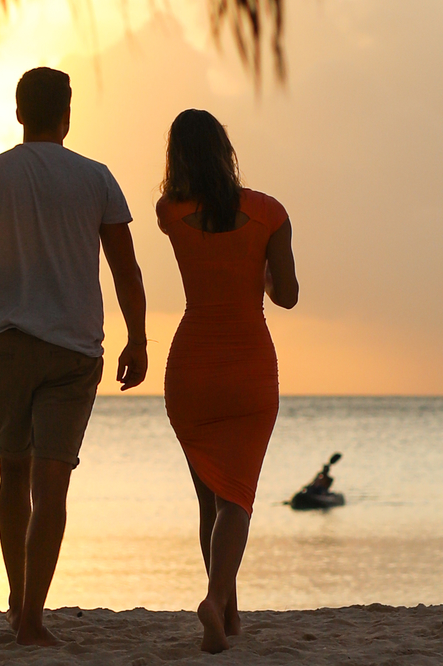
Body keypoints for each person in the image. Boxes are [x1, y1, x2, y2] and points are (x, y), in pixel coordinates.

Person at [0, 67, 150, 647]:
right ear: (67, 115)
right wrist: (138, 337)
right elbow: (125, 269)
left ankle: (15, 603)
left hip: (6, 344)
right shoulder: (97, 179)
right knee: (52, 482)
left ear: (18, 112)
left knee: (13, 471)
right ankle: (33, 615)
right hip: (74, 348)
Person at [155, 108, 298, 653]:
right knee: (237, 494)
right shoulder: (270, 213)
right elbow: (285, 295)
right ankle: (218, 602)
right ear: (225, 149)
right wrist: (262, 273)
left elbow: (200, 229)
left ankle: (229, 614)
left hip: (191, 369)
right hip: (249, 369)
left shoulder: (169, 211)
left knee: (208, 499)